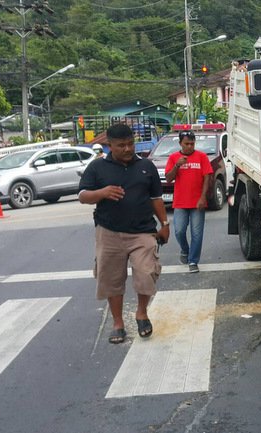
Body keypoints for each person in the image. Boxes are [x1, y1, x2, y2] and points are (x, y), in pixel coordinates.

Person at [78, 124, 170, 344]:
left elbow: (155, 198)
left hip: (143, 231)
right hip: (109, 232)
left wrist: (164, 223)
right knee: (111, 279)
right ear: (110, 146)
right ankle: (118, 323)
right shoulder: (97, 167)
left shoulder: (146, 166)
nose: (128, 149)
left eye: (130, 144)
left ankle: (141, 313)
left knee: (147, 272)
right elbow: (82, 195)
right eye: (121, 146)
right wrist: (102, 193)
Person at [164, 130, 213, 273]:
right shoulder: (173, 158)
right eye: (186, 144)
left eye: (192, 144)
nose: (190, 146)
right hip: (180, 202)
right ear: (180, 143)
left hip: (198, 202)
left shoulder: (202, 157)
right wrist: (177, 165)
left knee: (197, 233)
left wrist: (203, 197)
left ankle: (193, 261)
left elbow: (207, 178)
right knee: (179, 231)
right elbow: (168, 178)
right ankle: (185, 250)